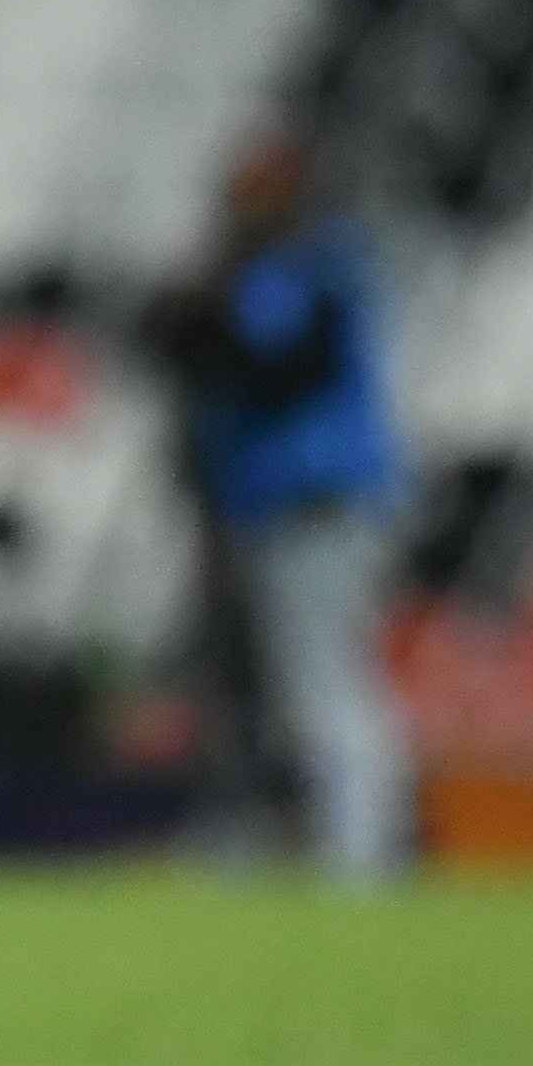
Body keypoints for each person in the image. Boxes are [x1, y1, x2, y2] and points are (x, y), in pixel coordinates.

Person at [149, 132, 412, 878]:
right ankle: (333, 840)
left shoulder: (314, 265)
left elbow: (268, 353)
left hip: (316, 500)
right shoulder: (304, 263)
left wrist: (202, 309)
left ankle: (363, 849)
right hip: (279, 503)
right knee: (299, 683)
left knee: (325, 680)